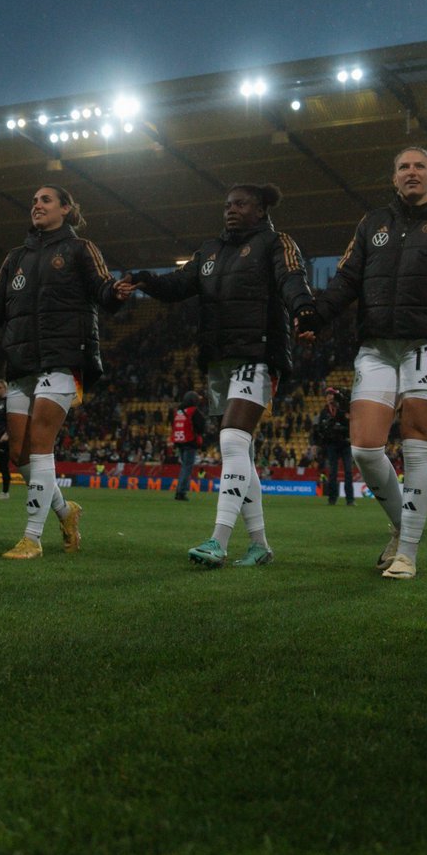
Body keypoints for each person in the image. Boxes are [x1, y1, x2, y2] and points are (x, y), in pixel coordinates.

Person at [316, 146, 427, 580]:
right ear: (394, 178)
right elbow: (347, 278)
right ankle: (402, 524)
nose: (411, 173)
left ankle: (407, 552)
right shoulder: (372, 223)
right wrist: (316, 315)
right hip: (376, 345)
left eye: (419, 166)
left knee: (416, 442)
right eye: (403, 167)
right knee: (365, 447)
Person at [124, 182, 318, 567]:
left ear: (261, 209)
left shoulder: (276, 243)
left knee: (231, 441)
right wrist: (145, 279)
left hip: (259, 351)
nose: (231, 210)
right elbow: (179, 285)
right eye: (228, 204)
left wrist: (304, 309)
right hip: (218, 359)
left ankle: (218, 540)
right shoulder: (209, 251)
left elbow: (292, 279)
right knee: (240, 452)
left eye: (241, 204)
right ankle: (260, 544)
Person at [0, 185, 130, 559]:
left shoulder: (80, 249)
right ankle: (65, 510)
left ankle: (32, 538)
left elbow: (103, 289)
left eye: (45, 200)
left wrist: (116, 293)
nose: (37, 206)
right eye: (33, 201)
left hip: (62, 359)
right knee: (18, 453)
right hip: (20, 365)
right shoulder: (16, 259)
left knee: (41, 446)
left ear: (65, 209)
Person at [312, 387, 355, 505]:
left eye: (331, 395)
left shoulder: (343, 409)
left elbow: (351, 424)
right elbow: (319, 429)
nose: (330, 397)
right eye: (328, 395)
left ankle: (350, 500)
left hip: (345, 443)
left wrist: (342, 427)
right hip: (331, 444)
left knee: (348, 472)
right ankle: (332, 499)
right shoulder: (324, 412)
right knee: (332, 473)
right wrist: (316, 444)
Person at [170, 390, 207, 500]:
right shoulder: (193, 411)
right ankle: (181, 492)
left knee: (184, 467)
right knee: (187, 468)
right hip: (190, 442)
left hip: (180, 442)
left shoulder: (178, 411)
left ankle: (180, 491)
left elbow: (173, 425)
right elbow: (201, 426)